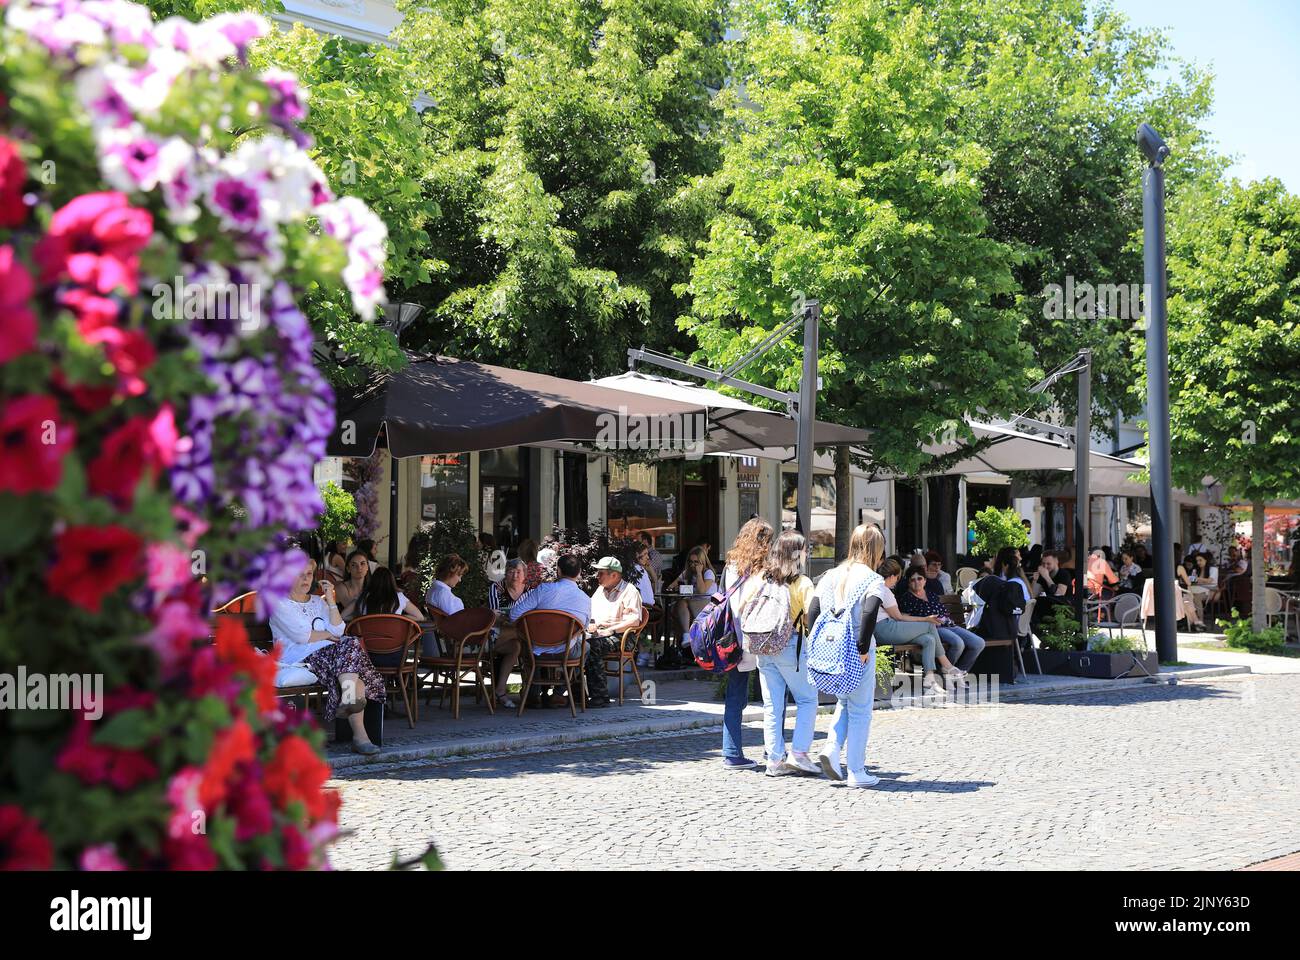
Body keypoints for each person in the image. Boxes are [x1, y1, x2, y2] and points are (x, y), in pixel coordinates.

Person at [270, 558, 384, 755]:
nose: (306, 579)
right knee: (352, 654)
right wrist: (327, 635)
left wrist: (331, 600)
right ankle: (359, 734)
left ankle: (357, 728)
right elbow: (302, 636)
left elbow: (339, 629)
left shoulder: (317, 602)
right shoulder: (279, 604)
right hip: (301, 658)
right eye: (300, 574)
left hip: (332, 655)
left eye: (309, 574)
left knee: (350, 650)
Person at [805, 523, 886, 788]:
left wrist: (814, 642)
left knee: (843, 702)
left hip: (831, 650)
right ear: (876, 549)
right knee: (861, 709)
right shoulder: (873, 579)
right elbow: (870, 612)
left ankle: (831, 747)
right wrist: (863, 649)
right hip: (855, 648)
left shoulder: (830, 574)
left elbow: (813, 611)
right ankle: (856, 771)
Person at [750, 530, 820, 777]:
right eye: (805, 549)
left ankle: (775, 760)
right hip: (790, 645)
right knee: (807, 699)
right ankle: (799, 753)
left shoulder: (763, 579)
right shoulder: (802, 583)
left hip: (763, 645)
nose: (808, 553)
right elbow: (814, 614)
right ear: (796, 554)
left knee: (772, 705)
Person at [717, 518, 774, 770]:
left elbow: (721, 601)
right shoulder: (768, 569)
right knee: (773, 697)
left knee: (735, 696)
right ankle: (773, 750)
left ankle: (731, 752)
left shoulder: (730, 566)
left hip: (734, 639)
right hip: (762, 637)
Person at [503, 554, 592, 709]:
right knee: (586, 647)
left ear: (558, 571)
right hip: (566, 652)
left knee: (528, 642)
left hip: (537, 649)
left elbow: (513, 614)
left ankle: (533, 694)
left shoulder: (544, 589)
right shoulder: (585, 599)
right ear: (578, 574)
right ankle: (559, 692)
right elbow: (584, 628)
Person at [873, 559, 962, 692]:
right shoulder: (884, 590)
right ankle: (947, 666)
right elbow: (898, 617)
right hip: (885, 628)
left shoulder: (879, 587)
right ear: (892, 576)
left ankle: (930, 680)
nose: (897, 581)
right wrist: (925, 619)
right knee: (929, 625)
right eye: (897, 578)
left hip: (884, 628)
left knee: (928, 640)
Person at [898, 564, 985, 675]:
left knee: (978, 643)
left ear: (924, 580)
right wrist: (925, 619)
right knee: (958, 643)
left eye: (919, 578)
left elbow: (943, 612)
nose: (916, 582)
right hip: (932, 628)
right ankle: (945, 673)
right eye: (912, 580)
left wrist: (946, 620)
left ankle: (960, 671)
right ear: (909, 583)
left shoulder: (931, 594)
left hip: (949, 625)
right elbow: (904, 619)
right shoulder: (906, 598)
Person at [583, 557, 644, 708]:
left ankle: (600, 696)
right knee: (577, 644)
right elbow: (590, 612)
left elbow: (634, 620)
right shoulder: (600, 590)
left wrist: (611, 630)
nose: (597, 576)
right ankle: (578, 693)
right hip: (599, 633)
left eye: (601, 573)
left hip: (622, 636)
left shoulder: (629, 591)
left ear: (614, 575)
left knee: (592, 646)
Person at [484, 559, 528, 709]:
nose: (514, 576)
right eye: (510, 572)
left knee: (517, 646)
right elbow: (493, 616)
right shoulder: (496, 588)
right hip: (498, 633)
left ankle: (501, 690)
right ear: (505, 573)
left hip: (519, 634)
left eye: (518, 572)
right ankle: (531, 692)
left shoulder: (530, 590)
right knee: (525, 640)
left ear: (524, 574)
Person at [668, 545, 716, 645]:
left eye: (696, 562)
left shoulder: (708, 573)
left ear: (702, 562)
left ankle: (686, 636)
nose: (692, 565)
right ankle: (681, 642)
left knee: (681, 603)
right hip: (693, 601)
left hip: (708, 602)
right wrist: (678, 587)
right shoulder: (688, 572)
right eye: (690, 562)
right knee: (674, 608)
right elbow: (670, 586)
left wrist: (699, 573)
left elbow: (702, 591)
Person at [632, 543, 660, 668]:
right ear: (637, 556)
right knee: (663, 614)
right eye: (645, 555)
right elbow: (649, 598)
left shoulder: (637, 569)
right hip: (646, 608)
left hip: (639, 608)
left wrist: (649, 569)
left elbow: (655, 580)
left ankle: (645, 651)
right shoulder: (639, 570)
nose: (648, 557)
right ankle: (651, 651)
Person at [334, 549, 372, 620]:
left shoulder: (373, 587)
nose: (359, 568)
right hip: (347, 628)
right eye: (354, 565)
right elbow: (356, 612)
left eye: (362, 563)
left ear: (367, 567)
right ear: (348, 569)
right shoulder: (341, 588)